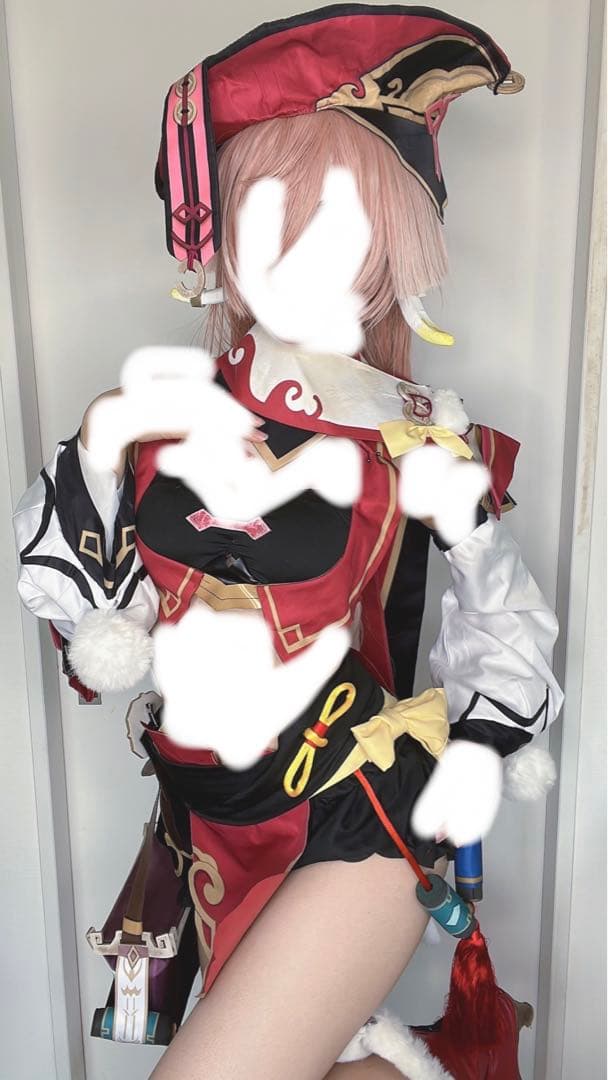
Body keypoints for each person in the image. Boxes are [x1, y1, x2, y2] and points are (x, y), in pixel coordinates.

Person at [13, 7, 562, 1078]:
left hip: (351, 818)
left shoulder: (416, 439)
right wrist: (104, 448)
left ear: (391, 248)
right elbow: (93, 641)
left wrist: (475, 758)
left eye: (344, 225)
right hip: (205, 824)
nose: (306, 255)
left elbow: (505, 627)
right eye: (272, 216)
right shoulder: (151, 423)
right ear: (216, 234)